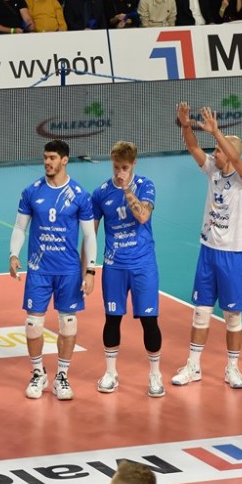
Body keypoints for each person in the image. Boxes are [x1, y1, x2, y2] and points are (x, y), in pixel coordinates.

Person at [171, 103, 242, 390]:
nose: (214, 153)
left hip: (233, 255)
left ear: (229, 154)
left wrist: (217, 132)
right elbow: (193, 147)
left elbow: (235, 157)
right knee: (201, 312)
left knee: (233, 317)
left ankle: (232, 368)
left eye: (218, 150)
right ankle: (193, 366)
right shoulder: (213, 172)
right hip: (208, 252)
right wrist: (186, 125)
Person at [8, 139, 96, 400]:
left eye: (52, 158)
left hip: (68, 270)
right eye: (45, 157)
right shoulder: (32, 191)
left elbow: (89, 236)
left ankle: (62, 376)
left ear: (64, 160)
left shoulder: (79, 194)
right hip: (39, 269)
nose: (47, 162)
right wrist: (13, 254)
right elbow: (20, 227)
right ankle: (38, 373)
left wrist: (90, 270)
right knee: (33, 324)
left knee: (68, 323)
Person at [91, 141, 163, 398]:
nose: (119, 172)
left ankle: (155, 375)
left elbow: (143, 216)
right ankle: (111, 373)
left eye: (124, 167)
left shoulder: (145, 186)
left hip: (143, 264)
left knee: (149, 321)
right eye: (116, 167)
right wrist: (88, 269)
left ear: (134, 164)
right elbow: (91, 234)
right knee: (112, 318)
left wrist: (126, 189)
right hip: (114, 266)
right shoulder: (100, 194)